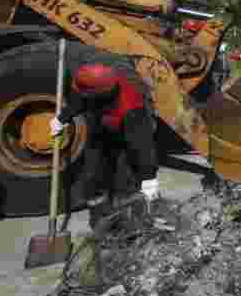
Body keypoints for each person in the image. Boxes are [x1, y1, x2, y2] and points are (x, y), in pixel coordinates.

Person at [50, 62, 160, 207]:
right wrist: (62, 119)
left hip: (126, 126)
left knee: (124, 165)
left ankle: (124, 198)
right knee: (95, 160)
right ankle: (98, 197)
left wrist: (149, 177)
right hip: (104, 120)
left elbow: (142, 144)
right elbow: (80, 100)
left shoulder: (131, 107)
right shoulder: (95, 82)